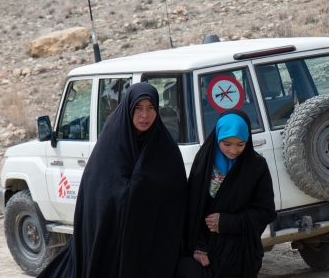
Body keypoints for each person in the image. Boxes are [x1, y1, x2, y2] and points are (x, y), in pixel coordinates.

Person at [38, 83, 187, 278]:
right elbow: (97, 196)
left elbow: (176, 199)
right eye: (138, 108)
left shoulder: (166, 149)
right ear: (128, 109)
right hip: (110, 240)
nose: (145, 115)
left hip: (149, 243)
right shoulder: (111, 145)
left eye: (151, 108)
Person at [176, 110, 276, 278]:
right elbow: (192, 208)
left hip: (239, 251)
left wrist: (229, 222)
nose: (233, 150)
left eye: (240, 144)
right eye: (226, 143)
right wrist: (198, 245)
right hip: (204, 249)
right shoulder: (204, 163)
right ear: (217, 138)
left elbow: (266, 211)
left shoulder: (256, 167)